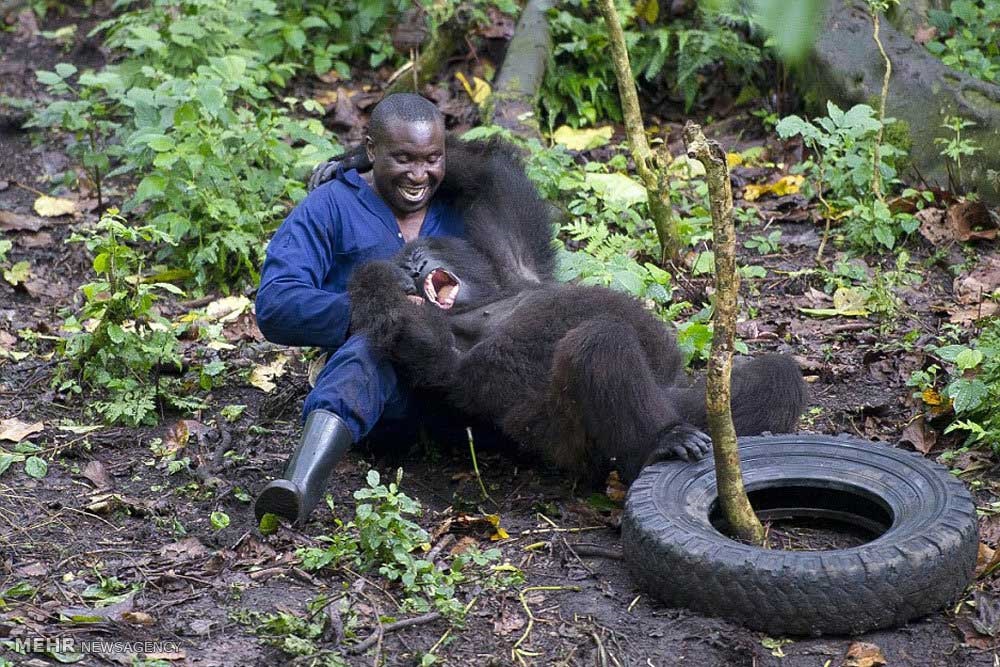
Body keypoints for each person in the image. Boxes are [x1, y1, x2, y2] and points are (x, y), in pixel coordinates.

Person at [253, 93, 462, 525]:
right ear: (371, 151)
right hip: (385, 402)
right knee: (378, 341)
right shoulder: (331, 206)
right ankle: (299, 486)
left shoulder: (461, 203)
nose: (419, 175)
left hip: (467, 385)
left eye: (432, 159)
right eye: (403, 158)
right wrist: (370, 310)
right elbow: (275, 304)